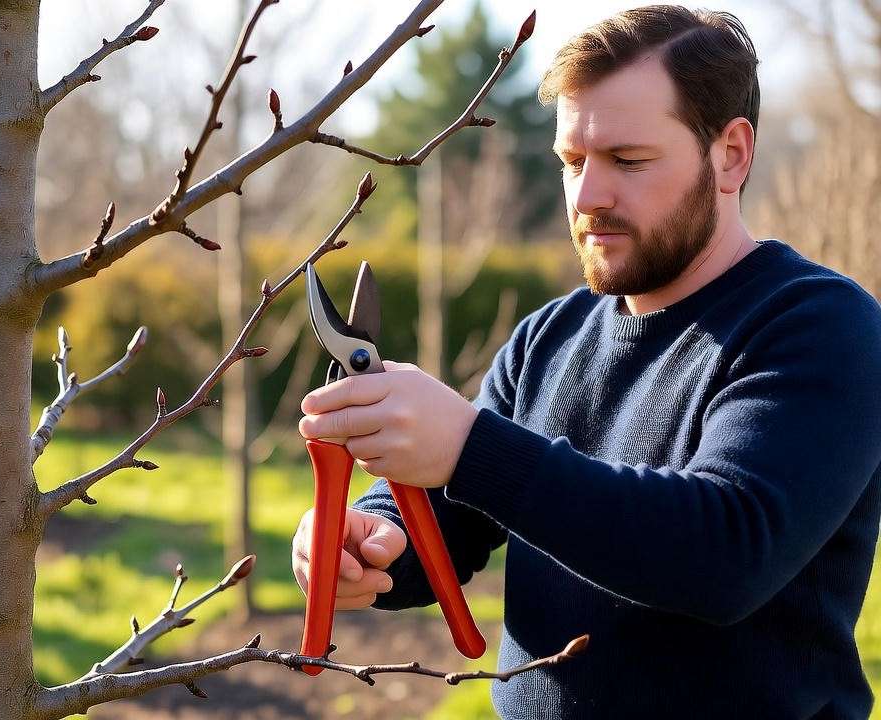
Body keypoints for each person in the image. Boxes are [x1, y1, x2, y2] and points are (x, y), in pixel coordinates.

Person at [290, 6, 881, 719]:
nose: (588, 197)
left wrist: (473, 448)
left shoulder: (822, 328)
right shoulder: (548, 340)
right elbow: (455, 513)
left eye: (627, 161)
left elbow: (726, 555)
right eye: (572, 162)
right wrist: (374, 538)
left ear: (731, 154)